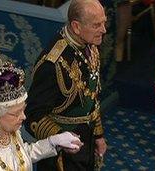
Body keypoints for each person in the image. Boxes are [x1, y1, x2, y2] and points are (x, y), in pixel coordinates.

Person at [23, 0, 107, 170]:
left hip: (86, 140)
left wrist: (98, 134)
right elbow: (33, 115)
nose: (103, 30)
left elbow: (91, 97)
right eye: (97, 25)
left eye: (104, 22)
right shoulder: (53, 63)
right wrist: (60, 138)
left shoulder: (90, 47)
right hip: (60, 154)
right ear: (76, 27)